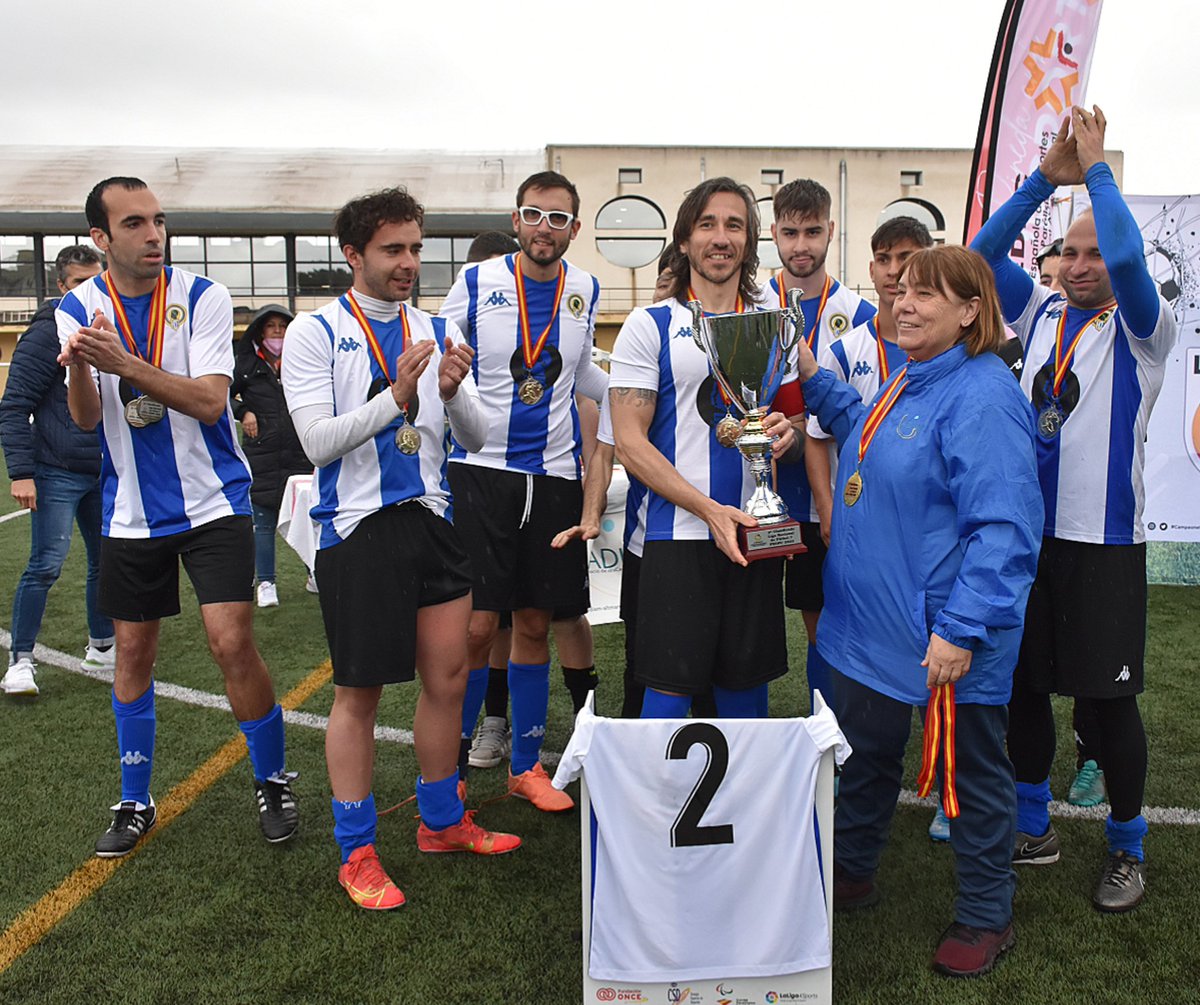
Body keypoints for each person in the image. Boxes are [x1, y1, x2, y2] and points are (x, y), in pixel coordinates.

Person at [797, 244, 1042, 977]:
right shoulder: (912, 375)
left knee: (970, 776)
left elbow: (1003, 527)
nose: (903, 304)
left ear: (971, 311)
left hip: (944, 635)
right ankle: (857, 868)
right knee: (868, 756)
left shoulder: (984, 393)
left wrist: (961, 628)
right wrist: (812, 376)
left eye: (926, 295)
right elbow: (863, 421)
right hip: (872, 630)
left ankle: (985, 913)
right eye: (901, 291)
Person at [282, 188, 520, 909]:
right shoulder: (314, 332)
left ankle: (441, 821)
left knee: (449, 678)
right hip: (357, 525)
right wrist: (398, 394)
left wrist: (450, 390)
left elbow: (478, 439)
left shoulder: (433, 323)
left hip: (433, 518)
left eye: (416, 247)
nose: (409, 262)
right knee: (359, 692)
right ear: (353, 255)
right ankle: (356, 851)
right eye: (393, 249)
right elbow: (315, 441)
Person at [971, 106, 1177, 913]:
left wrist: (1095, 170)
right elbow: (977, 258)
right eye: (1071, 250)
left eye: (1094, 253)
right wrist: (1040, 183)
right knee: (1021, 690)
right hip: (1029, 541)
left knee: (1105, 703)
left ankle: (1127, 845)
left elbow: (1129, 254)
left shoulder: (1146, 327)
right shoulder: (1040, 311)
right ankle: (1034, 824)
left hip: (1103, 544)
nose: (1083, 264)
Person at [57, 177, 298, 856]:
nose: (154, 234)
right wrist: (81, 365)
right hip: (130, 511)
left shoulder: (203, 297)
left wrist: (124, 362)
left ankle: (272, 778)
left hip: (214, 500)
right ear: (102, 239)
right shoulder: (75, 305)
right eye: (134, 223)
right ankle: (135, 799)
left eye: (159, 220)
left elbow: (208, 400)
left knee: (230, 641)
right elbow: (82, 418)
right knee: (132, 651)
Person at [440, 171, 607, 811]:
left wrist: (625, 399)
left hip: (556, 476)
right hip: (482, 473)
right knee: (479, 626)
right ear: (516, 221)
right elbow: (444, 355)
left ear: (574, 228)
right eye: (534, 215)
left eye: (558, 218)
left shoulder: (585, 290)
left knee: (536, 619)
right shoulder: (477, 282)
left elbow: (584, 368)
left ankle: (526, 766)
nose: (545, 228)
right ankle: (449, 765)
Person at [609, 177, 797, 719]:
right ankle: (656, 808)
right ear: (685, 240)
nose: (721, 237)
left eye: (734, 225)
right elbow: (628, 441)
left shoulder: (774, 324)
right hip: (679, 538)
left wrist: (788, 431)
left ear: (749, 241)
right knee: (667, 702)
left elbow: (794, 417)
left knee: (745, 700)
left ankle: (740, 808)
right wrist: (708, 509)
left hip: (754, 533)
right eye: (707, 224)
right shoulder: (651, 325)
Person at [761, 179, 876, 714]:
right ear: (773, 235)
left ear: (831, 231)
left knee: (822, 622)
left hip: (823, 499)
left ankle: (828, 738)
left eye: (812, 231)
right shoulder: (751, 303)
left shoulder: (859, 315)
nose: (800, 245)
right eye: (789, 232)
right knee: (748, 621)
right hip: (751, 499)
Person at [1, 245, 111, 697]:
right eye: (80, 282)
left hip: (104, 469)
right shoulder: (46, 333)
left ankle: (102, 646)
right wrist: (21, 473)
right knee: (45, 564)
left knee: (107, 563)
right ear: (61, 287)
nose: (91, 291)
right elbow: (13, 407)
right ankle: (20, 662)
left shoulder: (110, 327)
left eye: (96, 281)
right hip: (57, 470)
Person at [229, 303, 314, 608]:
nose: (277, 332)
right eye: (271, 326)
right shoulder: (247, 364)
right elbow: (223, 394)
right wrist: (243, 411)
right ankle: (266, 581)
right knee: (263, 522)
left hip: (301, 452)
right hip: (262, 453)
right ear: (260, 331)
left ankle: (313, 572)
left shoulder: (304, 360)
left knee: (308, 517)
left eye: (283, 326)